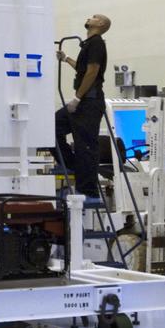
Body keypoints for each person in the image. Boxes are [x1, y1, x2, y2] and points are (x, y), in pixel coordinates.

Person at [54, 14, 111, 199]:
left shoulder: (96, 43)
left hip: (89, 102)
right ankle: (71, 164)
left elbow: (92, 71)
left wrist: (77, 98)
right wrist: (66, 58)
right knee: (52, 126)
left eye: (94, 17)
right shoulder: (89, 44)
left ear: (100, 24)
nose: (89, 17)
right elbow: (82, 68)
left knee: (85, 145)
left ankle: (88, 190)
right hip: (84, 101)